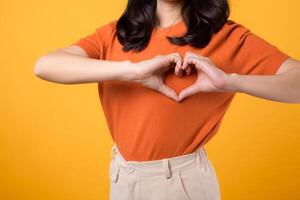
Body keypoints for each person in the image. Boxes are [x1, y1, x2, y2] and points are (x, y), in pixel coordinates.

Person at [33, 0, 300, 199]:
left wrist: (230, 81)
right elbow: (45, 65)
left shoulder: (227, 36)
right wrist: (132, 71)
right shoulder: (116, 34)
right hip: (122, 178)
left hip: (180, 185)